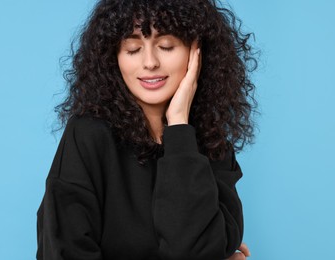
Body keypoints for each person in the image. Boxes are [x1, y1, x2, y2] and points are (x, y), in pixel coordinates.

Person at [37, 0, 257, 259]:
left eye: (166, 46)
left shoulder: (210, 142)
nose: (150, 62)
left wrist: (178, 125)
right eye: (133, 49)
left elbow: (195, 252)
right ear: (113, 57)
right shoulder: (88, 135)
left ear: (195, 50)